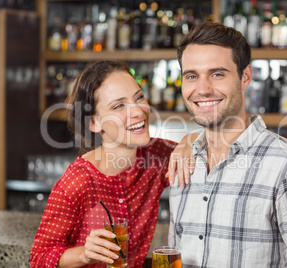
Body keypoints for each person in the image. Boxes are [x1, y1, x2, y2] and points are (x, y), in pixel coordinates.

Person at [168, 22, 287, 267]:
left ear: (245, 77)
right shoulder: (182, 163)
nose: (203, 89)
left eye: (217, 74)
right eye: (192, 76)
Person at [30, 60, 190, 268]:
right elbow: (39, 257)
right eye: (118, 106)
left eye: (139, 97)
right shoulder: (77, 181)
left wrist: (190, 140)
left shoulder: (156, 155)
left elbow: (205, 152)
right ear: (94, 123)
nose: (138, 112)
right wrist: (84, 254)